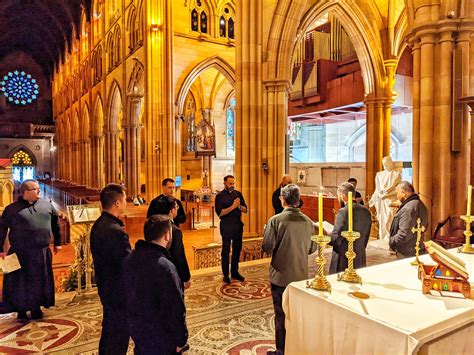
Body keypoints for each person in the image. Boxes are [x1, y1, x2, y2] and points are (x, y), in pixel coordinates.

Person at [262, 184, 317, 355]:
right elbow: (312, 249)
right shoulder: (308, 222)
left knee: (281, 315)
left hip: (280, 276)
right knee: (297, 315)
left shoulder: (276, 220)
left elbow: (267, 247)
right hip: (300, 275)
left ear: (283, 199)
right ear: (298, 200)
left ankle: (282, 351)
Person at [124, 214, 188, 354]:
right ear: (167, 235)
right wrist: (181, 340)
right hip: (162, 337)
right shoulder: (165, 267)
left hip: (138, 332)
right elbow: (175, 307)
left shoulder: (130, 259)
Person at [0, 179, 62, 323]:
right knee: (20, 283)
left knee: (39, 281)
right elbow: (1, 229)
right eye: (36, 189)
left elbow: (56, 223)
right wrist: (0, 249)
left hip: (41, 252)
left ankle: (36, 308)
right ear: (26, 192)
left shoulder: (47, 205)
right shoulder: (11, 209)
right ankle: (21, 311)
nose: (39, 191)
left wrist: (58, 243)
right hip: (19, 253)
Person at [90, 184, 131, 355]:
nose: (126, 203)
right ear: (116, 203)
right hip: (117, 288)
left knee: (110, 326)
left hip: (106, 284)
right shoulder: (114, 231)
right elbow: (127, 263)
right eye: (124, 200)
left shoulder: (99, 224)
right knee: (119, 331)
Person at [329, 182, 372, 274]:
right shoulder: (366, 211)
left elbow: (335, 239)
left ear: (343, 196)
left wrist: (325, 234)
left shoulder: (343, 212)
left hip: (343, 259)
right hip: (360, 257)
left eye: (338, 196)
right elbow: (366, 237)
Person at [151, 195, 191, 289]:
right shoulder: (174, 230)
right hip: (171, 273)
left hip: (155, 270)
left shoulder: (152, 225)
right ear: (171, 210)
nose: (177, 209)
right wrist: (186, 277)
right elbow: (179, 256)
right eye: (176, 207)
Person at [215, 175, 247, 283]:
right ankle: (225, 274)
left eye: (233, 183)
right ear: (224, 183)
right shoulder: (219, 196)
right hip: (226, 227)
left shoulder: (238, 194)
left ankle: (235, 272)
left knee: (237, 250)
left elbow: (245, 209)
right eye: (230, 184)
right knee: (226, 250)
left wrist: (238, 206)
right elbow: (220, 213)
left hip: (237, 226)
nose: (232, 186)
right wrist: (233, 206)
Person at [389, 181, 429, 259]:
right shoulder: (420, 204)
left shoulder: (408, 208)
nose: (397, 196)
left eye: (397, 193)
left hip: (407, 252)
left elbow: (404, 234)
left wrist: (392, 242)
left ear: (404, 193)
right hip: (417, 247)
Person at [368, 156, 401, 249]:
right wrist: (373, 199)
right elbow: (377, 190)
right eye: (384, 163)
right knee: (382, 220)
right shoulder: (379, 174)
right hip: (380, 201)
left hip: (390, 201)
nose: (385, 165)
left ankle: (390, 239)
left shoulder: (396, 174)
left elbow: (397, 189)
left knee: (389, 220)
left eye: (387, 163)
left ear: (391, 163)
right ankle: (383, 238)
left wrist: (386, 194)